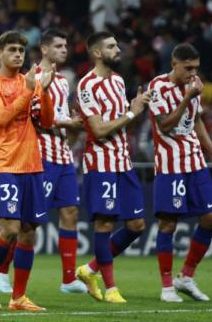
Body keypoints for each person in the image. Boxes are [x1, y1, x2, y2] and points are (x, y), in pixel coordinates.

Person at [0, 31, 53, 312]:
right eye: (12, 50)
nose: (18, 54)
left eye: (21, 50)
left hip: (32, 164)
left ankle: (18, 297)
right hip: (5, 164)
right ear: (0, 53)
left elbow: (46, 121)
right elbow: (0, 117)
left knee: (29, 232)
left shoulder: (28, 81)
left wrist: (44, 91)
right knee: (9, 228)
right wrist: (29, 89)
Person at [75, 31, 153, 304]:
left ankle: (90, 269)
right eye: (111, 46)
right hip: (101, 163)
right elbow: (98, 130)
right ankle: (111, 289)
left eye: (117, 45)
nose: (117, 49)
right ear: (97, 53)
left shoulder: (119, 81)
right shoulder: (86, 86)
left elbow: (119, 124)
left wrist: (133, 109)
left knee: (137, 225)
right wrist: (133, 113)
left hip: (123, 162)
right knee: (105, 223)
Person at [147, 43, 212, 302]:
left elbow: (197, 120)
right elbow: (166, 125)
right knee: (168, 223)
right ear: (174, 64)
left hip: (195, 163)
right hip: (170, 166)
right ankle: (167, 287)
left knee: (211, 218)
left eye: (196, 68)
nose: (192, 73)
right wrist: (187, 97)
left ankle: (186, 276)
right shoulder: (157, 87)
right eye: (187, 68)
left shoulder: (194, 86)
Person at [33, 29, 88, 294]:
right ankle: (0, 275)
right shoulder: (31, 78)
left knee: (70, 213)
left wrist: (73, 126)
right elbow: (36, 118)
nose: (65, 49)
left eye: (66, 45)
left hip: (63, 156)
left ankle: (68, 280)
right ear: (44, 49)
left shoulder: (64, 81)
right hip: (41, 155)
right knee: (28, 221)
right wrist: (68, 122)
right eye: (58, 45)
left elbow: (61, 117)